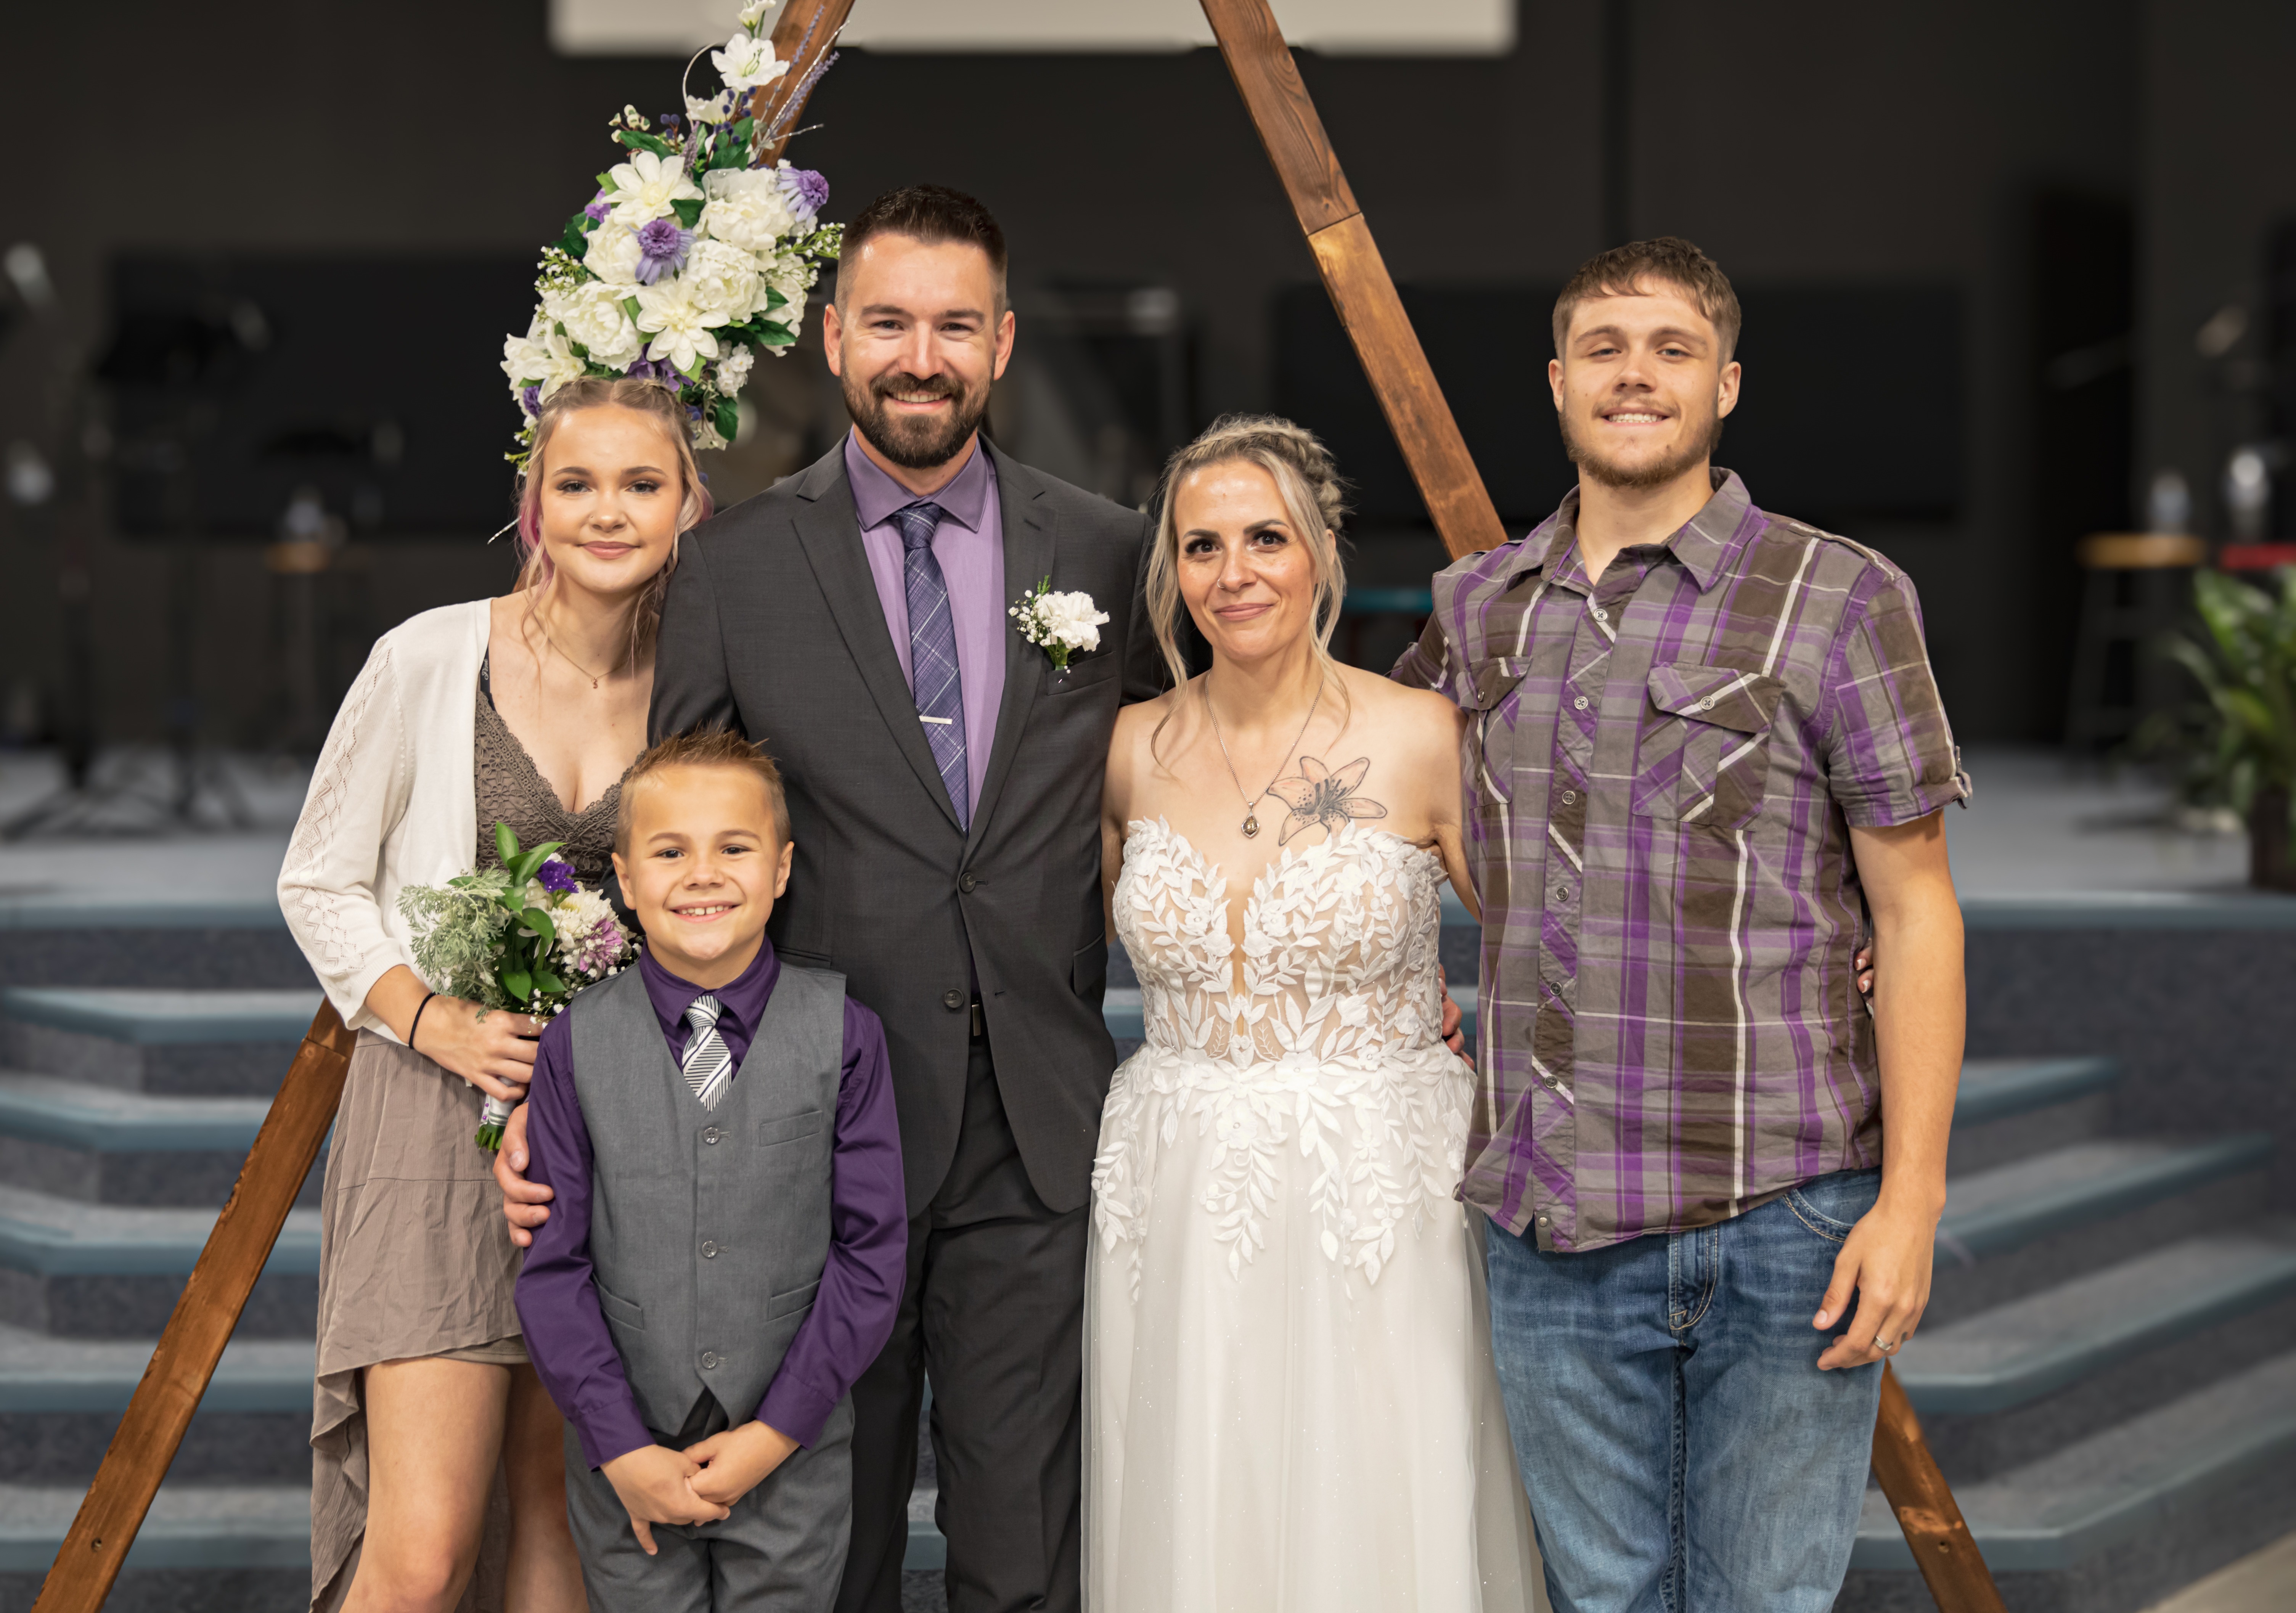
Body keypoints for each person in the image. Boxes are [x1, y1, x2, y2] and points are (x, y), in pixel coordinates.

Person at [495, 184, 1164, 1613]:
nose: (921, 357)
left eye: (954, 326)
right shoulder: (730, 564)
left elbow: (1188, 773)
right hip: (804, 1127)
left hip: (1035, 1121)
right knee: (827, 1548)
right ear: (832, 333)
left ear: (1001, 342)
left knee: (1023, 1546)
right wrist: (577, 1092)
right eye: (888, 323)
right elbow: (678, 846)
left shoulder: (1106, 547)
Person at [1392, 237, 1970, 1613]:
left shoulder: (1838, 596)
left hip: (1783, 1215)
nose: (1634, 374)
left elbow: (1917, 911)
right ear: (1555, 382)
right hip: (1552, 1223)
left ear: (1726, 384)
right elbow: (1386, 799)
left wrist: (1911, 1203)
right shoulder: (1477, 609)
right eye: (1601, 348)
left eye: (1670, 348)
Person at [1090, 416, 1543, 1611]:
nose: (1232, 572)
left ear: (1321, 551)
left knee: (1379, 1486)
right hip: (1175, 1177)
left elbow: (1552, 944)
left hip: (1378, 1177)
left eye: (1265, 537)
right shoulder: (1126, 748)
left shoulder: (1421, 734)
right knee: (1201, 1490)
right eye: (1201, 546)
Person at [278, 374, 709, 1612]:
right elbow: (318, 880)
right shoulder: (427, 657)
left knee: (561, 1526)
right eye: (577, 483)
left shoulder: (700, 681)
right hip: (437, 1112)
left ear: (688, 505)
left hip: (619, 1129)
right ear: (534, 502)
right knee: (423, 1554)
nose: (608, 511)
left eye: (642, 483)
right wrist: (437, 1021)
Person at [515, 729, 906, 1609]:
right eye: (669, 852)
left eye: (734, 848)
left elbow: (870, 1256)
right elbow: (553, 1269)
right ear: (624, 879)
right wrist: (619, 1446)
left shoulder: (847, 1035)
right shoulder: (576, 1043)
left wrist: (776, 1433)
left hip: (790, 1455)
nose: (702, 875)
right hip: (627, 1462)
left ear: (782, 869)